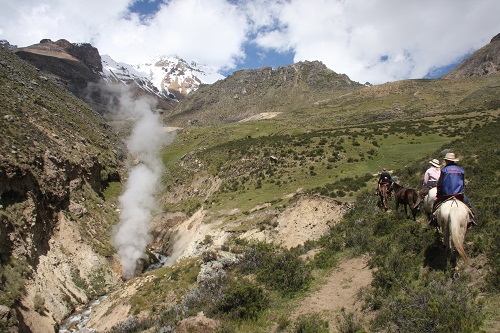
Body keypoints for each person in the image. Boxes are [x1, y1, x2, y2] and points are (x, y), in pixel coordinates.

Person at [430, 152, 476, 228]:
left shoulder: (444, 170)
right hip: (459, 195)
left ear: (447, 161)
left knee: (435, 205)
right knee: (469, 205)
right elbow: (463, 183)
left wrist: (438, 195)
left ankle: (434, 220)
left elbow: (440, 184)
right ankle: (471, 219)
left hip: (446, 195)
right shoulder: (461, 170)